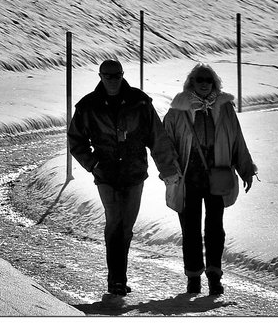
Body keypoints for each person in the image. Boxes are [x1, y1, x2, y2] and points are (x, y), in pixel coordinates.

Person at [67, 59, 169, 300]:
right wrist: (94, 164)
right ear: (100, 76)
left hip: (134, 173)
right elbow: (76, 140)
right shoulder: (88, 106)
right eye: (108, 76)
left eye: (117, 75)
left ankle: (119, 278)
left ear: (123, 75)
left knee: (126, 227)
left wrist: (168, 170)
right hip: (106, 175)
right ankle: (116, 281)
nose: (113, 80)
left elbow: (157, 137)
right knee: (114, 222)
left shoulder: (140, 101)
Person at [158, 63, 256, 297]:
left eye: (208, 79)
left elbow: (237, 140)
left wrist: (246, 169)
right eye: (199, 79)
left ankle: (214, 275)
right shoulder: (178, 109)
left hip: (217, 175)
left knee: (215, 229)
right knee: (190, 229)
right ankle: (193, 277)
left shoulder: (225, 107)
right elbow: (165, 144)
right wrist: (169, 172)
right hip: (188, 177)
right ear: (191, 82)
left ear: (214, 83)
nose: (203, 83)